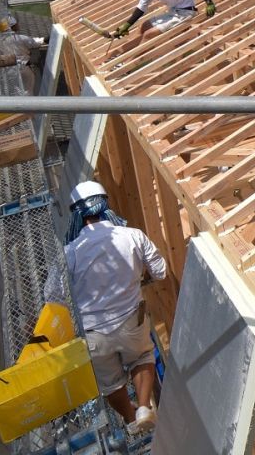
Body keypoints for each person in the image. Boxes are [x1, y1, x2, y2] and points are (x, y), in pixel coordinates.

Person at [58, 181, 166, 434]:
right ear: (105, 205)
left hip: (94, 334)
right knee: (142, 357)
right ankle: (142, 408)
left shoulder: (70, 252)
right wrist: (139, 278)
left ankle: (130, 420)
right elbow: (160, 272)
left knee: (110, 384)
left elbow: (53, 294)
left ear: (77, 215)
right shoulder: (133, 235)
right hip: (131, 321)